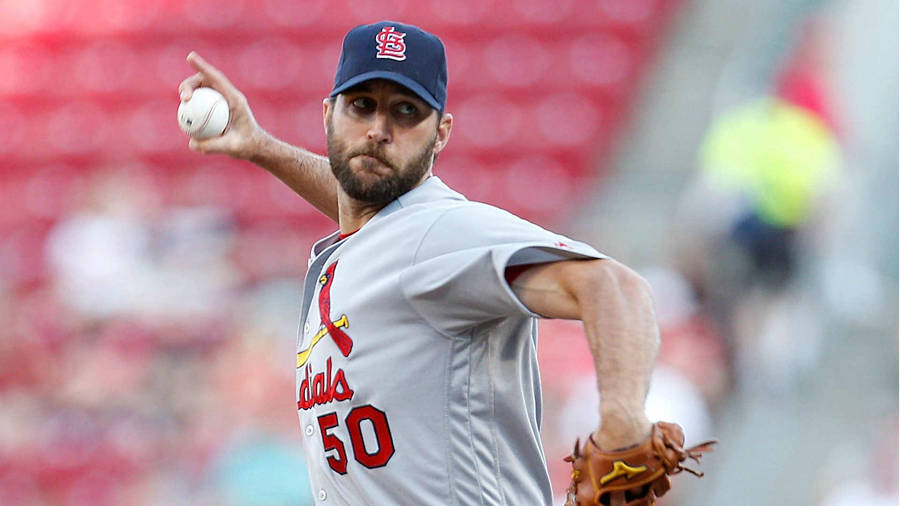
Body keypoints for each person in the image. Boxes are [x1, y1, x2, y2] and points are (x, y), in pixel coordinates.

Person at [179, 21, 663, 505]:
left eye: (406, 112)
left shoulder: (441, 233)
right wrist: (261, 146)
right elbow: (366, 204)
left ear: (441, 134)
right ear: (328, 113)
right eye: (361, 105)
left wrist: (623, 424)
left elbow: (616, 287)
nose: (378, 130)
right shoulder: (384, 234)